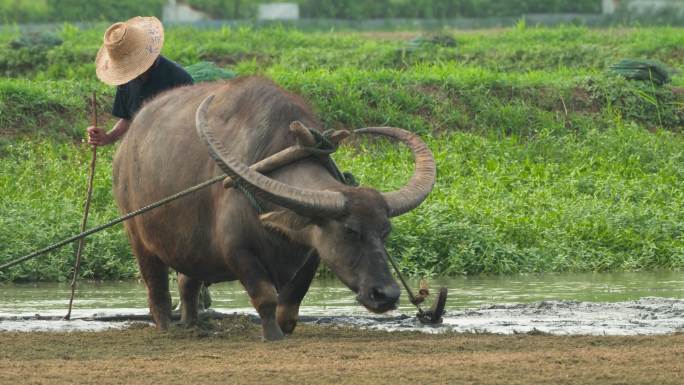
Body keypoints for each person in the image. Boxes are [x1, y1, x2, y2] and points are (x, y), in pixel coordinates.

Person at [88, 16, 193, 146]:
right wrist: (109, 137)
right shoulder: (126, 80)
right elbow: (128, 119)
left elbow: (187, 126)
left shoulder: (179, 79)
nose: (130, 72)